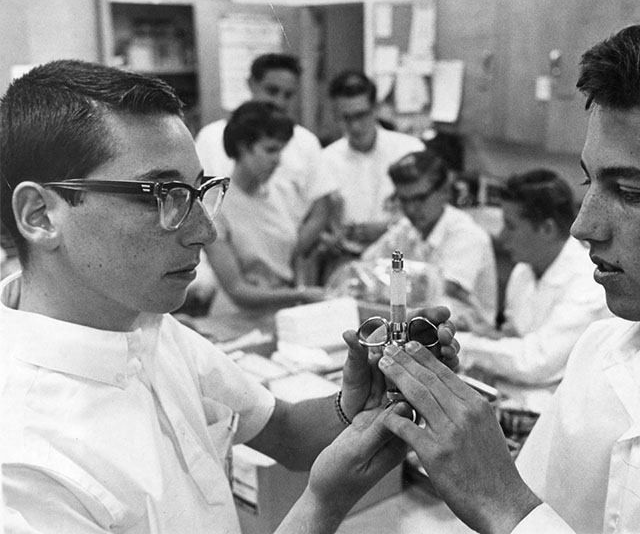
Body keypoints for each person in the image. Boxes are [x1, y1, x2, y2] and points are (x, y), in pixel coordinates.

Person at [372, 18, 640, 533]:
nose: (584, 226)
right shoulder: (596, 356)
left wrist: (501, 503)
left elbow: (511, 512)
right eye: (588, 181)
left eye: (630, 193)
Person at [0, 59, 458, 533]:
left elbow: (284, 429)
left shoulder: (148, 327)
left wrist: (363, 401)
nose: (206, 230)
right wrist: (324, 503)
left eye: (198, 191)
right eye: (162, 194)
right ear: (40, 215)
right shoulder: (24, 471)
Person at [459, 169, 612, 391]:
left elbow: (534, 363)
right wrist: (484, 332)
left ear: (547, 229)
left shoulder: (589, 284)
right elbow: (516, 335)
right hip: (523, 392)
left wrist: (462, 343)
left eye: (510, 225)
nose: (501, 236)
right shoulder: (523, 270)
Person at [194, 53, 336, 272]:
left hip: (282, 257)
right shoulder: (211, 138)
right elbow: (200, 206)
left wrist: (283, 255)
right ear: (252, 84)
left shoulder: (305, 142)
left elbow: (320, 210)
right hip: (221, 261)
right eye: (272, 91)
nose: (279, 101)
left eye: (288, 95)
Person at [202, 100, 325, 314]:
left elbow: (294, 256)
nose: (277, 160)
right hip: (236, 319)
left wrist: (301, 293)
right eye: (270, 150)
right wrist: (301, 295)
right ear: (243, 147)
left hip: (284, 315)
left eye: (281, 150)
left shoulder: (281, 192)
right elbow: (237, 289)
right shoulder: (214, 204)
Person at [361, 149, 498, 327]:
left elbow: (438, 290)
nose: (411, 209)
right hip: (415, 329)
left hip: (464, 335)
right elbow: (365, 268)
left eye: (419, 199)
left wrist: (385, 280)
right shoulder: (406, 229)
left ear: (444, 191)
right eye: (404, 200)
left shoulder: (468, 235)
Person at [320, 70, 425, 253]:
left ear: (376, 109)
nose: (355, 126)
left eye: (361, 115)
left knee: (398, 271)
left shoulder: (409, 151)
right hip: (348, 256)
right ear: (335, 115)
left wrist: (387, 228)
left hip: (398, 253)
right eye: (346, 118)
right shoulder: (325, 160)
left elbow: (427, 210)